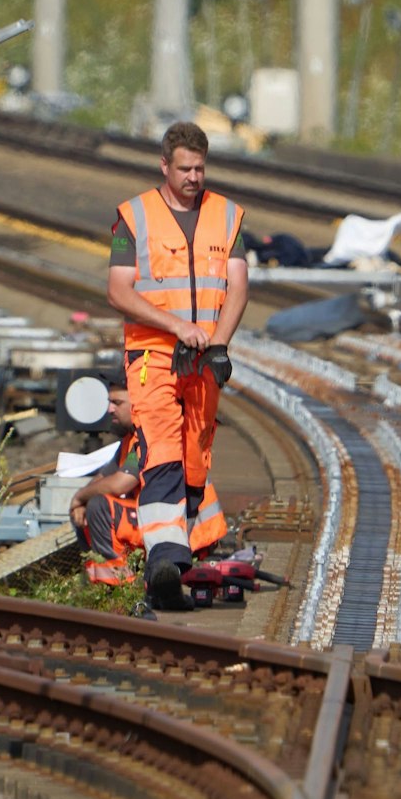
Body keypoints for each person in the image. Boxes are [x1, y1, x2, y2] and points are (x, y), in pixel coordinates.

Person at [107, 122, 249, 611]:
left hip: (204, 360)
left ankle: (175, 568)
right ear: (164, 166)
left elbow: (238, 286)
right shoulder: (133, 219)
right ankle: (165, 560)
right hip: (152, 357)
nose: (193, 177)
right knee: (163, 453)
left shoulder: (227, 217)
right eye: (184, 168)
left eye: (200, 168)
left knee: (194, 460)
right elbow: (119, 291)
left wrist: (220, 344)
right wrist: (175, 326)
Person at [68, 372, 227, 586]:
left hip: (186, 530)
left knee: (99, 506)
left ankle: (119, 584)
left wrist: (80, 497)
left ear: (138, 403)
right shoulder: (132, 439)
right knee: (91, 501)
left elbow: (120, 483)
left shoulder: (152, 437)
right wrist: (80, 502)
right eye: (109, 402)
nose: (109, 409)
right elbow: (103, 478)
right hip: (165, 525)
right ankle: (107, 581)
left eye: (116, 402)